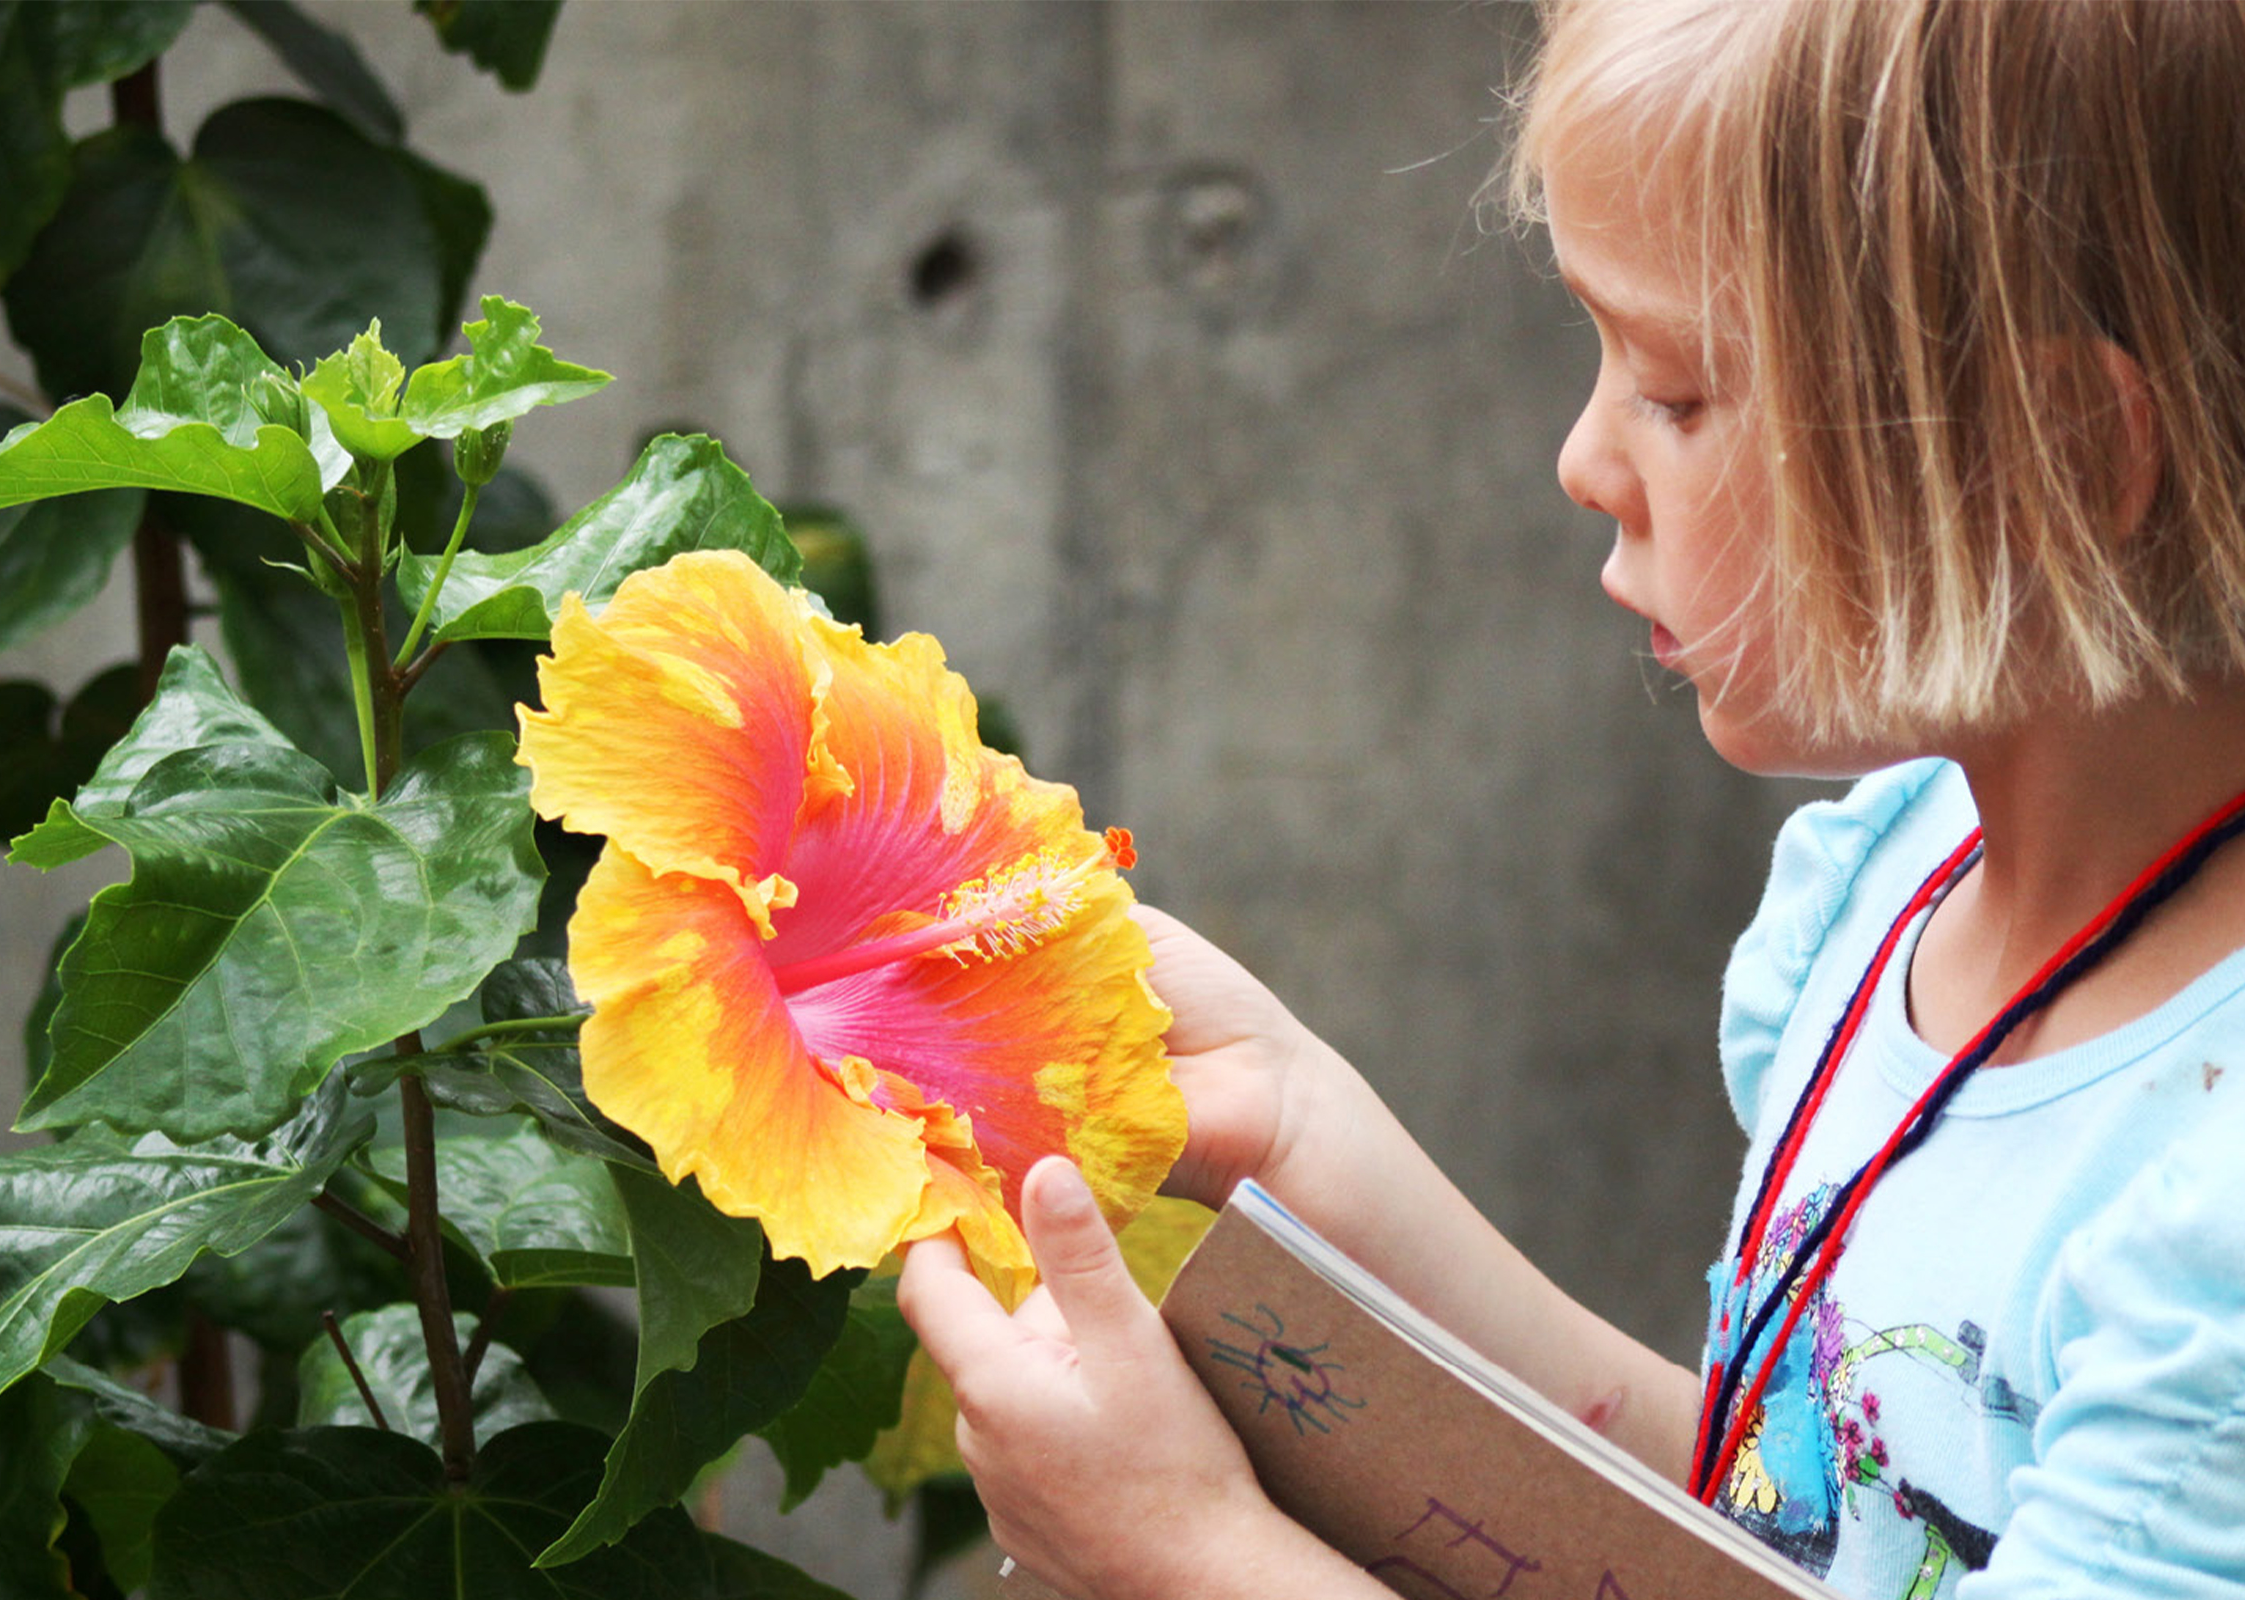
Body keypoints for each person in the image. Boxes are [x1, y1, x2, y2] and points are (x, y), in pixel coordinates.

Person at [896, 1, 2245, 1597]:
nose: (1583, 458)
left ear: (2065, 454)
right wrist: (1307, 1134)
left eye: (1676, 392)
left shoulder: (2212, 1233)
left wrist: (1191, 1557)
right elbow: (1796, 1534)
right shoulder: (1892, 890)